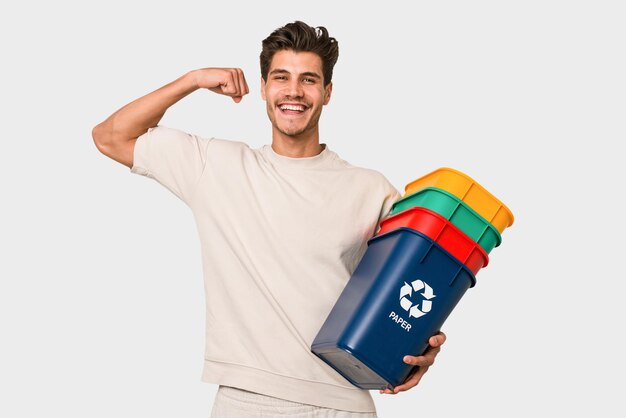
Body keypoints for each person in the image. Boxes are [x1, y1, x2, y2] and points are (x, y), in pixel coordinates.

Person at [92, 21, 446, 418]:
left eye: (308, 80)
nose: (294, 91)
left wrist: (421, 347)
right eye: (281, 77)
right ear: (263, 88)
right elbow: (111, 136)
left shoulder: (372, 189)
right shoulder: (215, 165)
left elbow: (411, 285)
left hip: (341, 403)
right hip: (246, 400)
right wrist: (192, 80)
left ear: (327, 93)